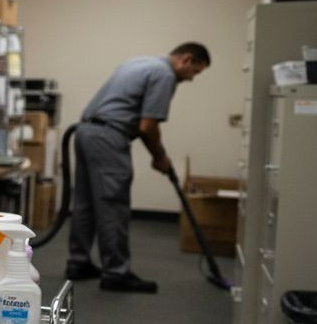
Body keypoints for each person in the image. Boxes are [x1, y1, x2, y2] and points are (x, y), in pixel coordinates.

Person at [66, 43, 210, 292]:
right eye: (195, 72)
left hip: (85, 132)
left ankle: (78, 262)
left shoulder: (139, 62)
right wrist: (160, 157)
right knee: (113, 205)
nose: (193, 79)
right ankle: (116, 273)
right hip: (108, 137)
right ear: (186, 60)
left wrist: (157, 156)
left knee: (86, 203)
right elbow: (148, 126)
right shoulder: (165, 74)